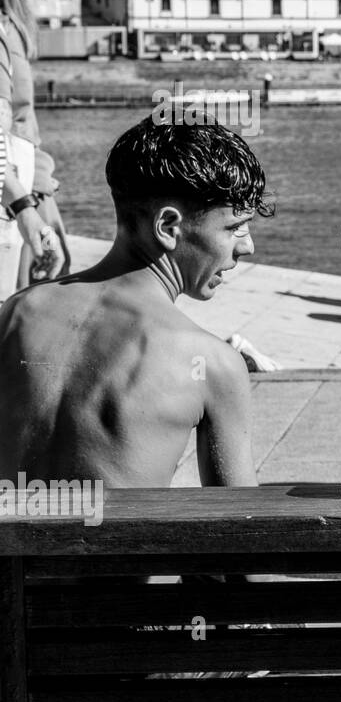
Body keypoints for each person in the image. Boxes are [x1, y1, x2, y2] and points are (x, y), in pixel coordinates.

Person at [0, 114, 272, 487]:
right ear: (168, 227)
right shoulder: (213, 364)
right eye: (234, 227)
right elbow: (242, 524)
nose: (248, 246)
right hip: (119, 546)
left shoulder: (15, 313)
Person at [0, 0, 64, 299]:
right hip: (12, 201)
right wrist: (27, 207)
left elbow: (20, 124)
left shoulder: (10, 33)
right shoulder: (8, 34)